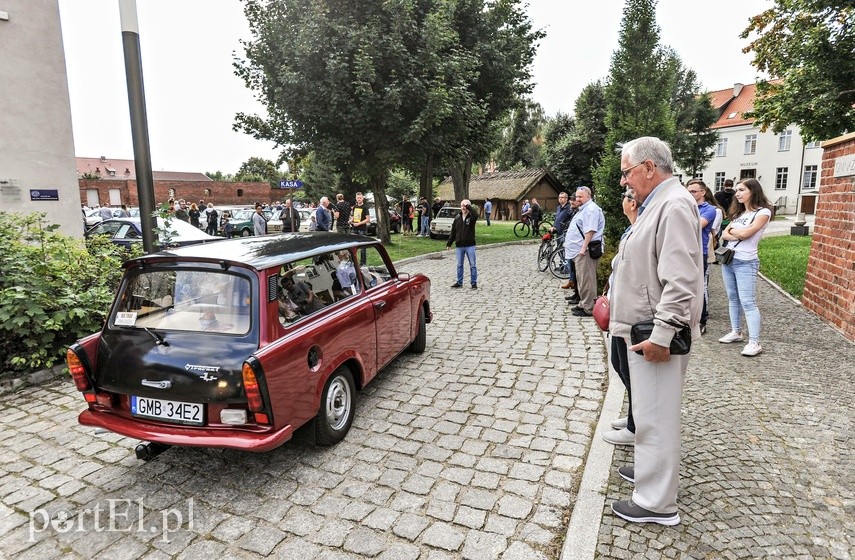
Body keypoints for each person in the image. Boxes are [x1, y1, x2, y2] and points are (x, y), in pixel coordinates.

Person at [609, 136, 703, 526]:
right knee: (648, 415)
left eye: (627, 173)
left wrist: (663, 335)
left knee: (659, 417)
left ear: (649, 167)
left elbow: (681, 281)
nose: (623, 182)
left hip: (653, 332)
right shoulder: (658, 204)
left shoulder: (674, 204)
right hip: (643, 328)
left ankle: (657, 503)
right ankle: (651, 475)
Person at [717, 178, 772, 356]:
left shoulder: (763, 212)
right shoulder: (739, 213)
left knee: (748, 302)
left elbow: (748, 234)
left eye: (741, 190)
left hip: (746, 262)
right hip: (729, 259)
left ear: (752, 191)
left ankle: (754, 342)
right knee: (733, 297)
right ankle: (736, 331)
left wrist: (735, 232)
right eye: (737, 190)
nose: (737, 194)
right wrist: (735, 233)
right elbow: (725, 234)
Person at [603, 188, 640, 447]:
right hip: (618, 306)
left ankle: (635, 426)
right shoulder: (631, 229)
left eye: (627, 196)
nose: (623, 201)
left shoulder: (642, 229)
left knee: (631, 370)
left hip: (632, 311)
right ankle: (631, 417)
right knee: (618, 364)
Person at [565, 186, 605, 317]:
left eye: (580, 196)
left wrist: (583, 247)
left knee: (587, 279)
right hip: (580, 251)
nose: (577, 199)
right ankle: (584, 303)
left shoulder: (591, 209)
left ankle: (588, 308)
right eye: (577, 196)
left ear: (589, 196)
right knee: (582, 279)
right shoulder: (584, 209)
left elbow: (590, 230)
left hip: (586, 251)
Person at [686, 179, 718, 334]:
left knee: (700, 287)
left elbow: (697, 225)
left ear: (703, 192)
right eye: (688, 191)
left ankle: (702, 320)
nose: (690, 194)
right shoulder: (687, 206)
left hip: (700, 253)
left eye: (693, 191)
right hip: (686, 250)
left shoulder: (709, 209)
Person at [446, 199, 478, 289]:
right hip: (459, 245)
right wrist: (449, 243)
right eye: (462, 206)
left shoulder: (471, 217)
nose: (463, 208)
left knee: (472, 265)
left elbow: (476, 215)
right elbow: (453, 231)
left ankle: (473, 282)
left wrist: (468, 206)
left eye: (465, 206)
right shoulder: (457, 217)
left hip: (470, 245)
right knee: (459, 265)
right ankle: (459, 282)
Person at [350, 192, 371, 263]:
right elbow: (353, 216)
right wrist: (350, 220)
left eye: (360, 198)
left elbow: (368, 219)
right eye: (357, 198)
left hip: (362, 229)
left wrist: (359, 223)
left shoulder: (365, 207)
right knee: (352, 246)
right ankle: (353, 262)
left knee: (362, 247)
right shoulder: (355, 207)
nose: (359, 199)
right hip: (354, 228)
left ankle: (363, 263)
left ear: (362, 198)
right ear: (356, 198)